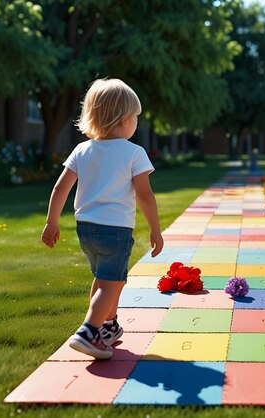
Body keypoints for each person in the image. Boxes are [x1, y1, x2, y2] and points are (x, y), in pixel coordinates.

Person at [41, 78, 163, 360]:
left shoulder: (82, 149)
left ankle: (107, 326)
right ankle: (88, 332)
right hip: (115, 231)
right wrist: (155, 229)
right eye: (135, 117)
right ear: (123, 119)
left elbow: (61, 187)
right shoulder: (134, 153)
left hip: (86, 230)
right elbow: (145, 196)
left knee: (103, 279)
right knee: (112, 283)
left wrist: (52, 222)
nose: (136, 123)